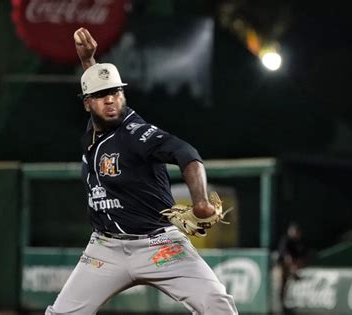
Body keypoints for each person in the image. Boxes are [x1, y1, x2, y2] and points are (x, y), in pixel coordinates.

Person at [45, 28, 238, 315]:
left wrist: (200, 202)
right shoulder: (93, 131)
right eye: (101, 96)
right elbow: (96, 83)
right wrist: (89, 60)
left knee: (216, 304)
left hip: (159, 245)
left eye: (116, 92)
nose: (110, 100)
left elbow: (187, 155)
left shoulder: (137, 133)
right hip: (105, 249)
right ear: (87, 104)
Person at [277, 222, 309, 311]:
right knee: (282, 283)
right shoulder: (286, 240)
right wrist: (292, 267)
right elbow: (286, 257)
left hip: (296, 266)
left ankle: (292, 303)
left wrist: (297, 266)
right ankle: (281, 305)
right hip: (283, 266)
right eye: (294, 231)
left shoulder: (301, 241)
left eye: (297, 231)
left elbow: (304, 255)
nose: (295, 233)